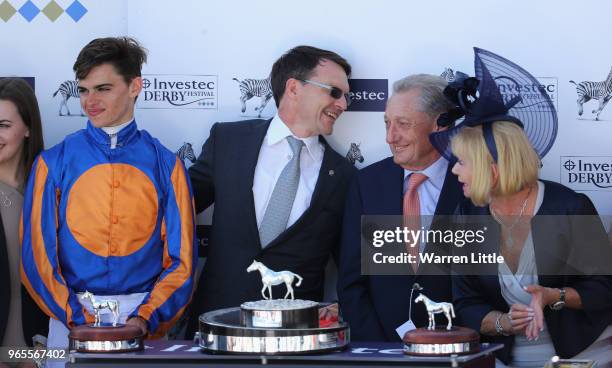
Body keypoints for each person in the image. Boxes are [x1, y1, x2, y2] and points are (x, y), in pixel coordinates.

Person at [432, 49, 612, 366]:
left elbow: (603, 288)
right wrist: (502, 322)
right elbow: (466, 301)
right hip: (503, 357)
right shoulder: (466, 216)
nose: (455, 171)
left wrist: (552, 297)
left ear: (494, 167)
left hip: (581, 355)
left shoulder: (569, 206)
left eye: (462, 162)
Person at [20, 37, 196, 352]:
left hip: (144, 326)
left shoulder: (167, 165)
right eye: (84, 90)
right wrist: (77, 316)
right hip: (70, 324)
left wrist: (145, 318)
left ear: (135, 86)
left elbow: (182, 261)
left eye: (103, 89)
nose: (90, 101)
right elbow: (37, 258)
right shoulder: (53, 162)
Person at [186, 45, 356, 336]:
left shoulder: (344, 176)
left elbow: (354, 269)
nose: (343, 104)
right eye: (334, 92)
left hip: (297, 337)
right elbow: (176, 209)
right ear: (293, 88)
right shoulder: (227, 141)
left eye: (346, 96)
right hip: (215, 329)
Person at [337, 74, 463, 341]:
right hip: (383, 350)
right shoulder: (367, 184)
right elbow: (351, 282)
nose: (390, 137)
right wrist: (378, 351)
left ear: (440, 123)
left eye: (403, 124)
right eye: (387, 123)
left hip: (461, 348)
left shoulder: (472, 182)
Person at [0, 78, 48, 349]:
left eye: (4, 126)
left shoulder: (52, 192)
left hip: (42, 348)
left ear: (28, 127)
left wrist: (41, 350)